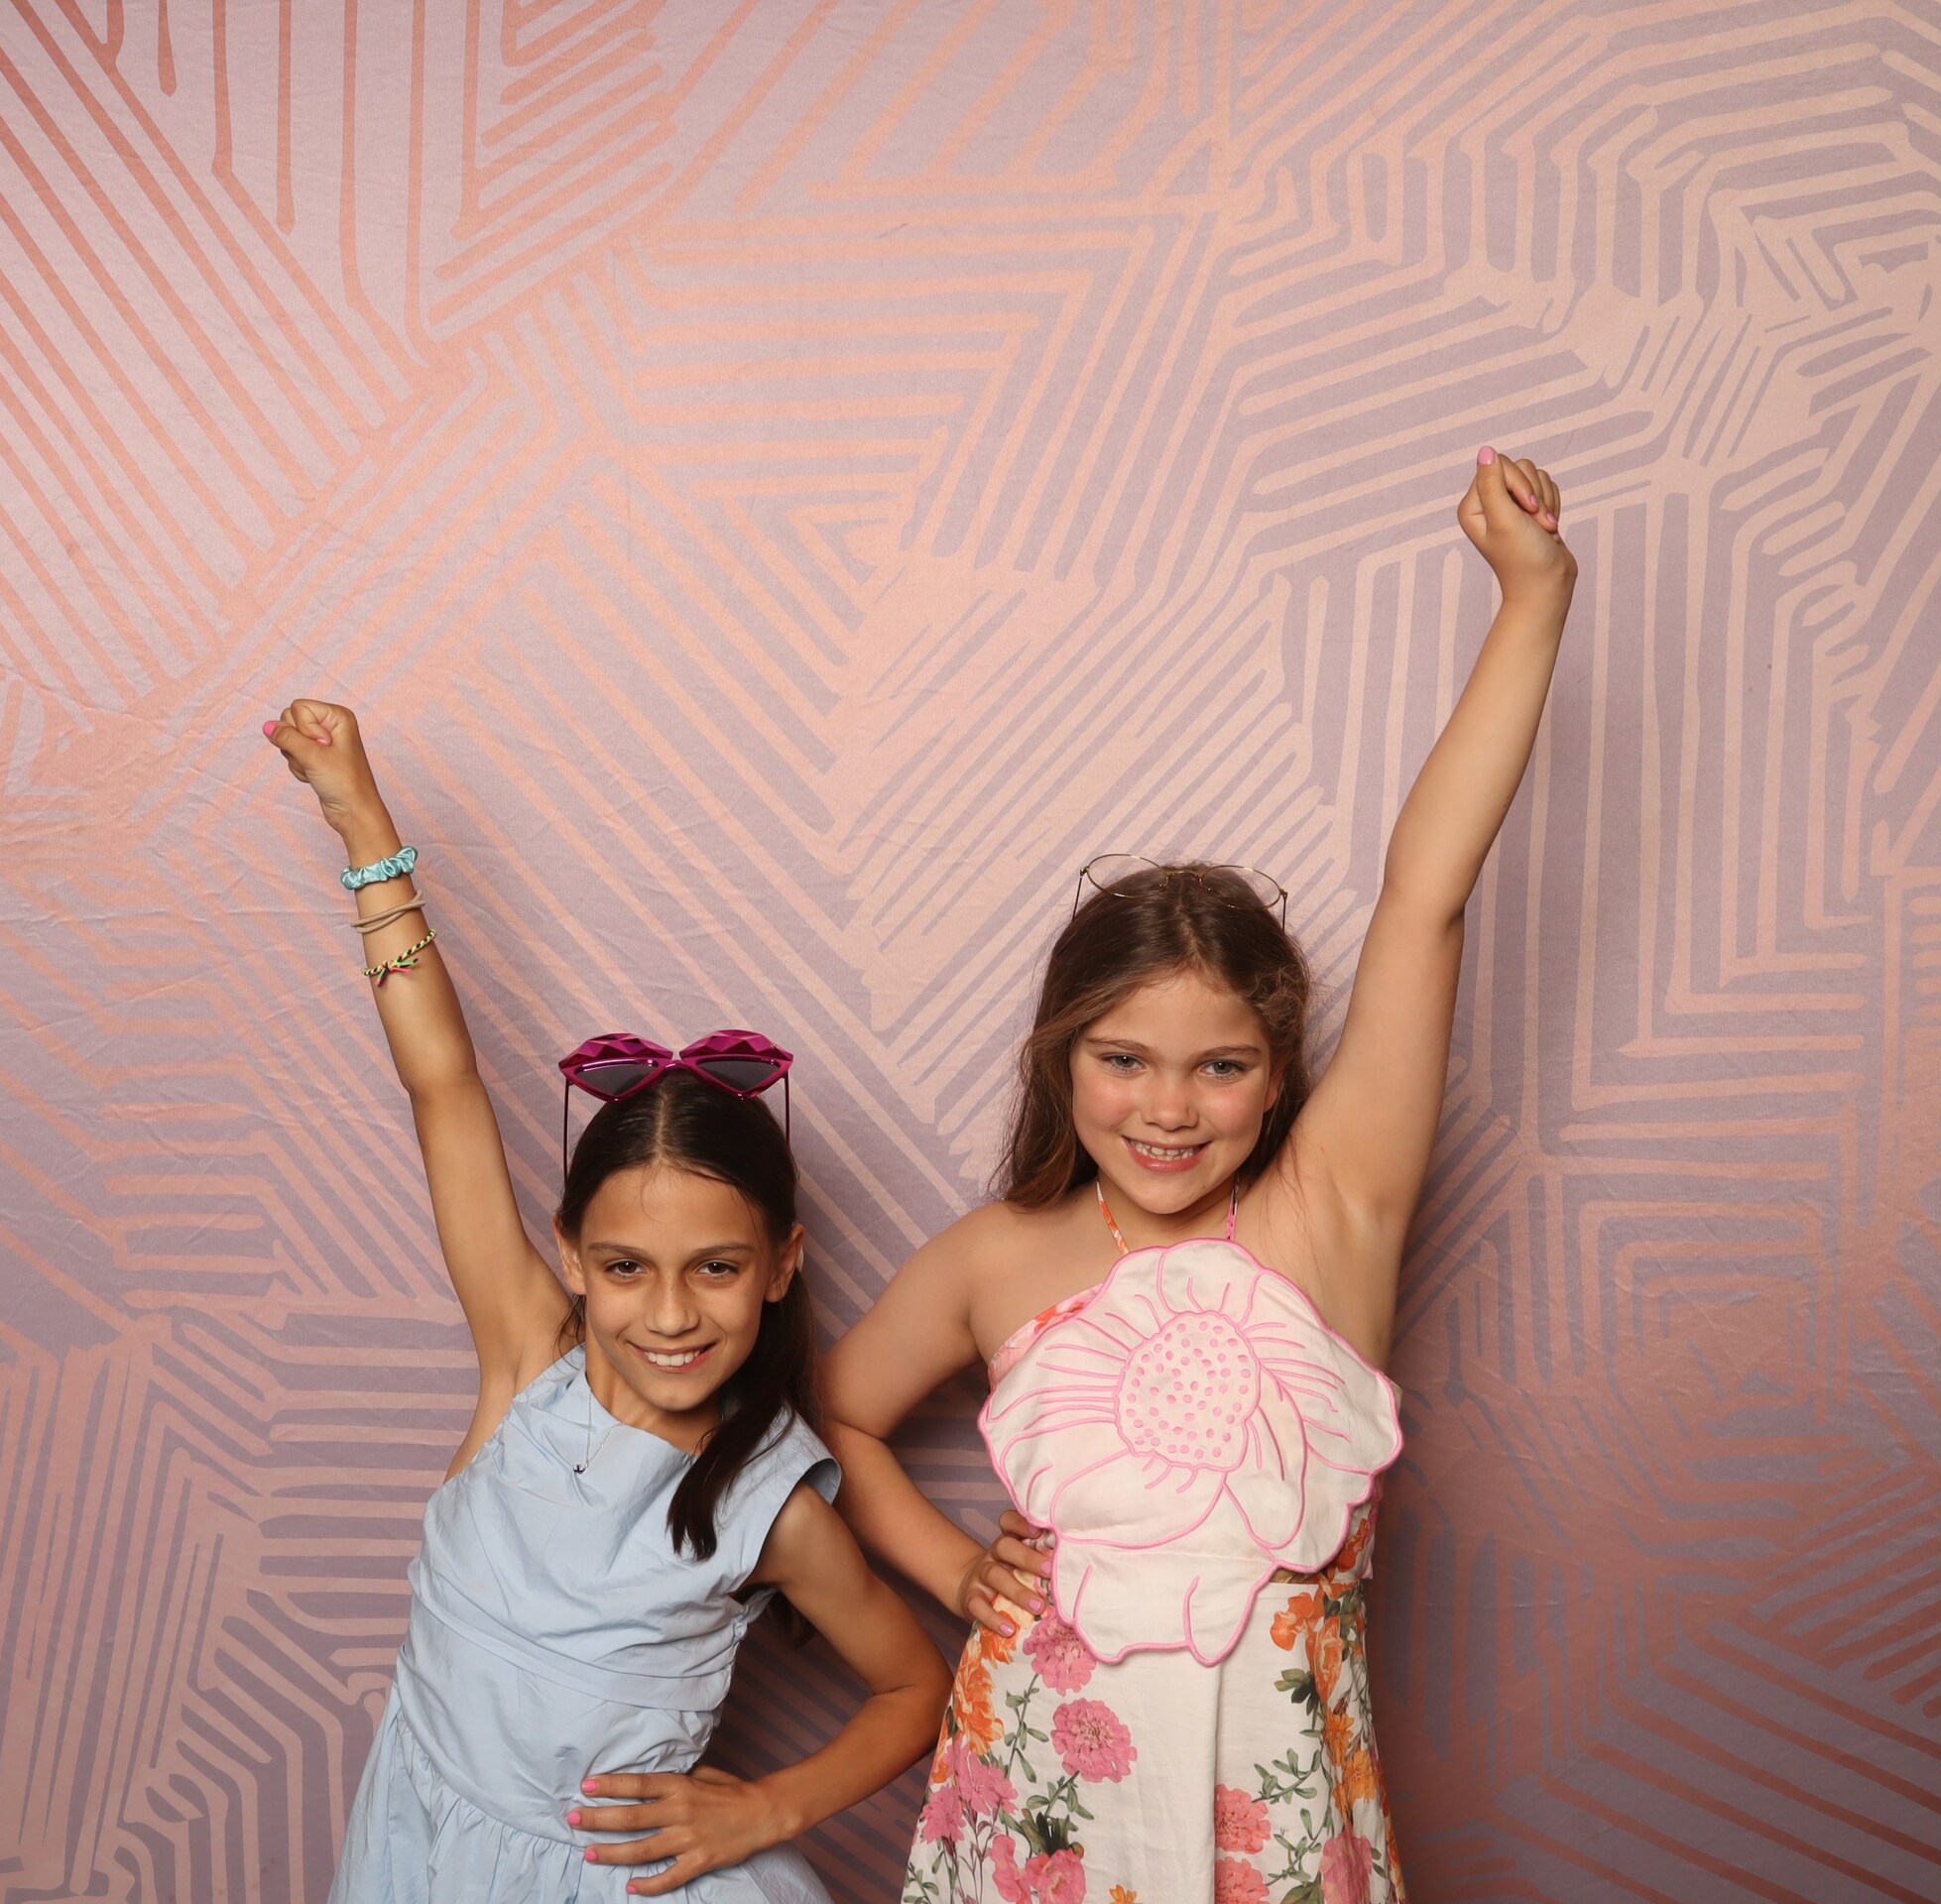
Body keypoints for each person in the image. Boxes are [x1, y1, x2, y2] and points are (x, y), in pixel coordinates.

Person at [819, 450, 1578, 1903]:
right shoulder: (995, 1256)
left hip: (1270, 1826)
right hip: (1040, 1796)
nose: (1168, 1110)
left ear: (1281, 1074)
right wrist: (954, 1570)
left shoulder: (1328, 1214)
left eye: (1220, 1066)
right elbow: (837, 1413)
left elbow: (1426, 898)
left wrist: (1532, 600)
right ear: (1062, 1057)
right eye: (1123, 1060)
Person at [263, 698, 948, 1901]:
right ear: (572, 1258)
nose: (671, 1315)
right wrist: (363, 822)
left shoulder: (770, 1505)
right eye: (628, 1267)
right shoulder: (528, 1361)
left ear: (781, 1263)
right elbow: (443, 1087)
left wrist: (770, 1807)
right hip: (421, 1853)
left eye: (716, 1268)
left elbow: (915, 1687)